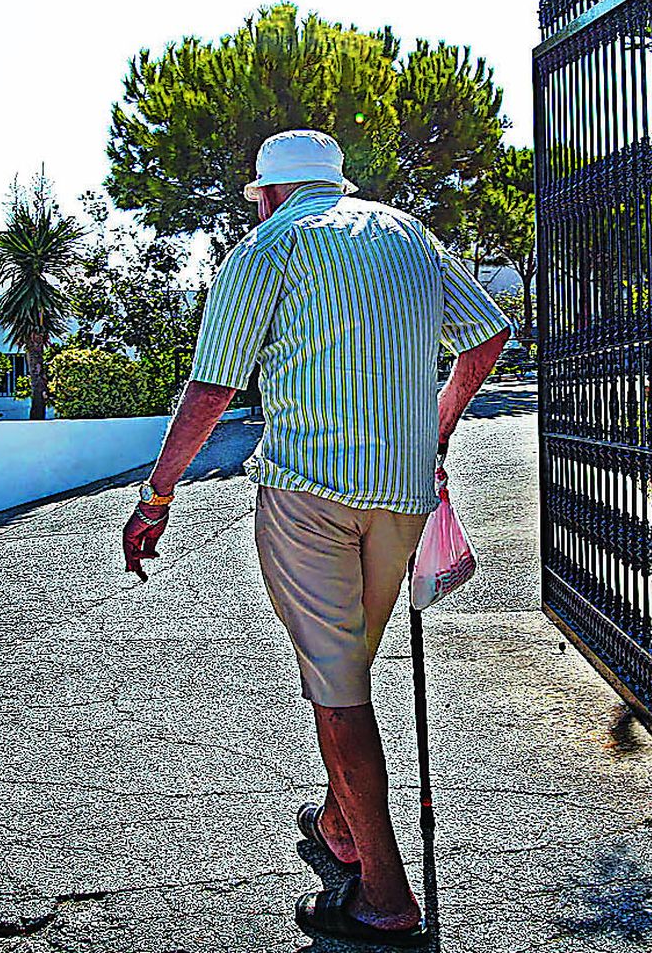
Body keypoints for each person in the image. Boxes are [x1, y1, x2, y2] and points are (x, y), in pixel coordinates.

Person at [120, 129, 508, 946]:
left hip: (308, 495)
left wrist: (157, 495)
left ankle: (386, 894)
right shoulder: (409, 232)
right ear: (337, 180)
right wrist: (435, 425)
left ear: (266, 193)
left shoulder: (268, 245)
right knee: (348, 661)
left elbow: (212, 385)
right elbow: (488, 335)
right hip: (403, 496)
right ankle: (339, 820)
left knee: (339, 688)